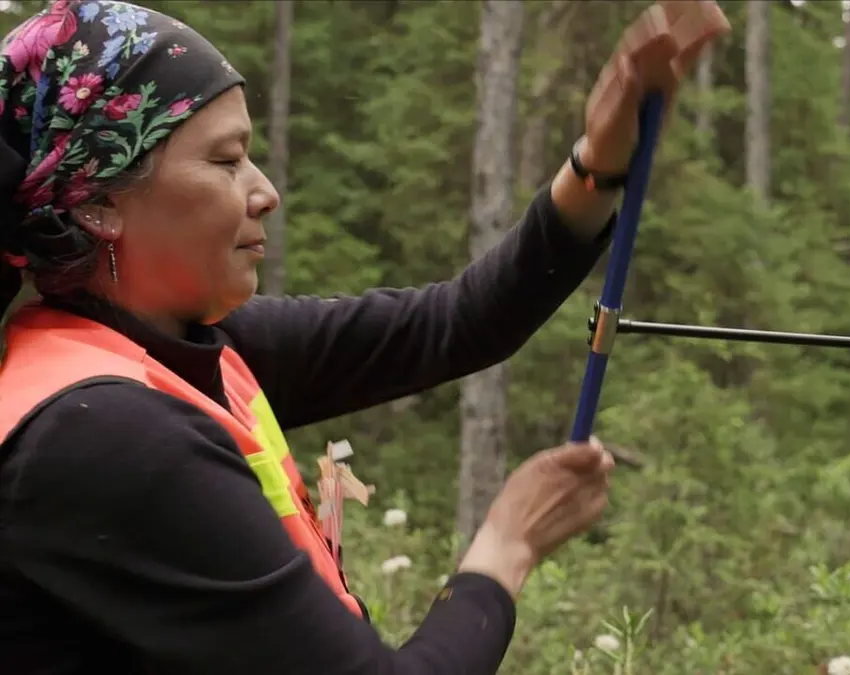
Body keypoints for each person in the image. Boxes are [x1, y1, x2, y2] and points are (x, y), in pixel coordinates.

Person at [0, 0, 731, 673]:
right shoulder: (101, 435)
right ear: (98, 204)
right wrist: (506, 547)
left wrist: (598, 164)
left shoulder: (171, 347)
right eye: (225, 161)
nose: (265, 190)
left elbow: (461, 322)